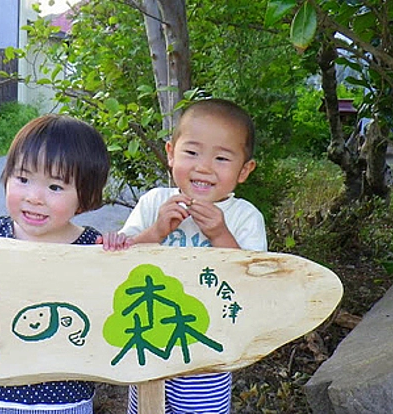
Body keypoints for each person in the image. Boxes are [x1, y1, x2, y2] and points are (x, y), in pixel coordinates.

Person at [0, 114, 110, 414]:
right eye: (23, 179)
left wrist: (118, 253)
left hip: (67, 396)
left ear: (86, 197)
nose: (34, 197)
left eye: (55, 187)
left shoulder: (91, 247)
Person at [100, 98, 267, 414]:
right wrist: (155, 232)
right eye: (191, 152)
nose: (203, 167)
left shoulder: (244, 217)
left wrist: (220, 234)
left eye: (221, 158)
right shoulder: (154, 203)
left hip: (209, 350)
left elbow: (251, 284)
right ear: (170, 154)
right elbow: (119, 262)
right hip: (146, 340)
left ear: (244, 170)